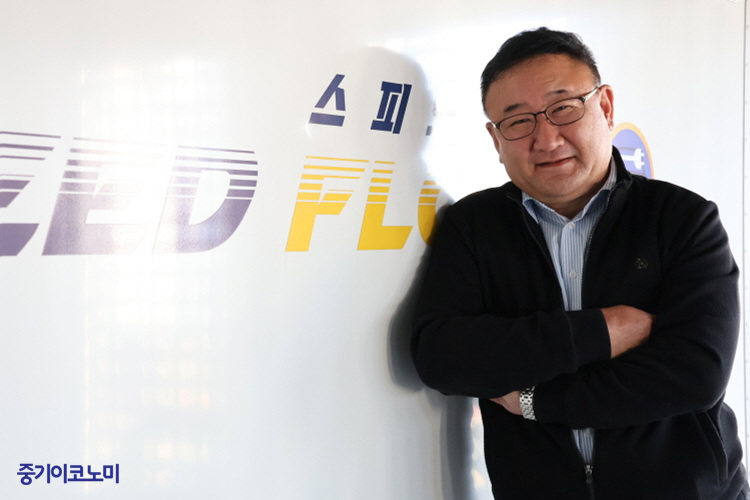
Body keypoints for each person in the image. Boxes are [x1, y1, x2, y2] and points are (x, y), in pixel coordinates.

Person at [411, 27, 749, 499]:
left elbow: (695, 373)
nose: (547, 139)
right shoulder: (473, 226)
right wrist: (600, 332)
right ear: (495, 139)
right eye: (518, 121)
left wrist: (536, 401)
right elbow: (443, 356)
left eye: (564, 108)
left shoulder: (681, 218)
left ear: (605, 107)